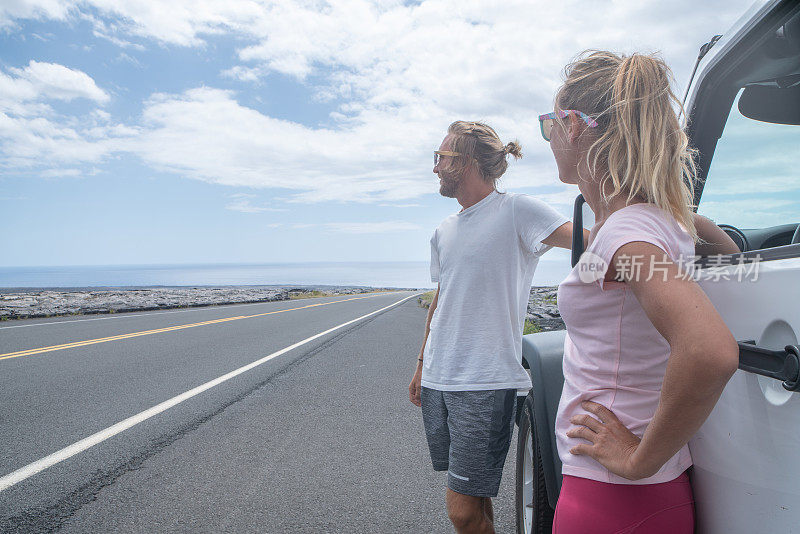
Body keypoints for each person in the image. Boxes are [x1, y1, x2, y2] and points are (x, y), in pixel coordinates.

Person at [542, 50, 741, 533]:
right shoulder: (657, 222)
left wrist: (637, 459)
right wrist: (684, 216)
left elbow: (710, 350)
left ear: (573, 126)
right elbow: (731, 252)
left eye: (549, 122)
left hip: (611, 495)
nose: (548, 136)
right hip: (650, 495)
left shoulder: (624, 234)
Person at [408, 120, 587, 534]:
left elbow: (589, 239)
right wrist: (421, 364)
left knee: (461, 511)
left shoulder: (516, 211)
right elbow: (443, 297)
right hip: (440, 377)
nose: (435, 167)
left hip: (484, 382)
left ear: (467, 161)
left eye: (441, 157)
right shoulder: (444, 231)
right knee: (476, 500)